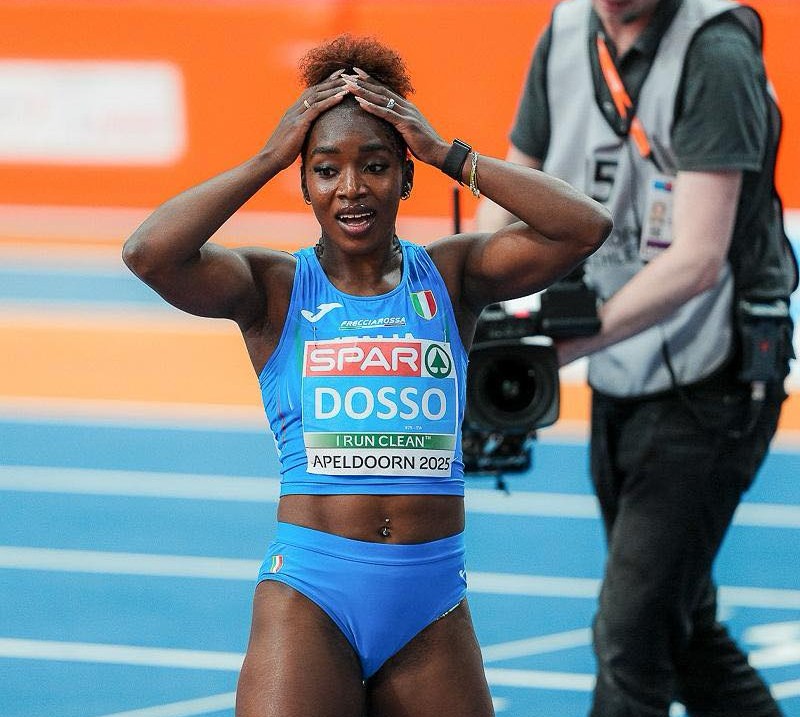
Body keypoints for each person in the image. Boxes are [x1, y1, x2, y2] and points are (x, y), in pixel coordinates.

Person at [122, 34, 611, 717]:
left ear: (406, 175)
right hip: (312, 597)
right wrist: (267, 157)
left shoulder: (451, 276)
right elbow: (149, 253)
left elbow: (584, 227)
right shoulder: (274, 288)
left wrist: (449, 154)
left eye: (375, 166)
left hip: (432, 603)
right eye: (325, 170)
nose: (351, 189)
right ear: (305, 181)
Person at [477, 0, 798, 715]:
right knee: (682, 634)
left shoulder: (714, 53)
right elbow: (512, 185)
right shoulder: (565, 32)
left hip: (715, 378)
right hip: (623, 363)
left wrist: (557, 350)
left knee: (631, 639)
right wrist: (468, 303)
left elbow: (699, 259)